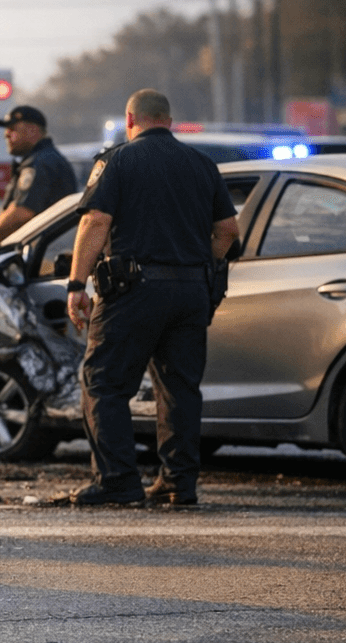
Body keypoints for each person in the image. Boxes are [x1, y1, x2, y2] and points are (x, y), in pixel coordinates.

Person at [62, 89, 239, 507]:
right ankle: (178, 482)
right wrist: (198, 265)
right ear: (168, 119)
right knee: (179, 389)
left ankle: (117, 481)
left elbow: (95, 219)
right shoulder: (202, 164)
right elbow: (228, 231)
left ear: (130, 119)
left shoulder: (117, 160)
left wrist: (76, 284)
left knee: (103, 382)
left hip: (133, 291)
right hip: (192, 291)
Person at [0, 104, 77, 255]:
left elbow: (22, 212)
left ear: (32, 130)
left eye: (13, 129)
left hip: (46, 253)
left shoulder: (40, 163)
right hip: (46, 249)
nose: (6, 134)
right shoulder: (42, 158)